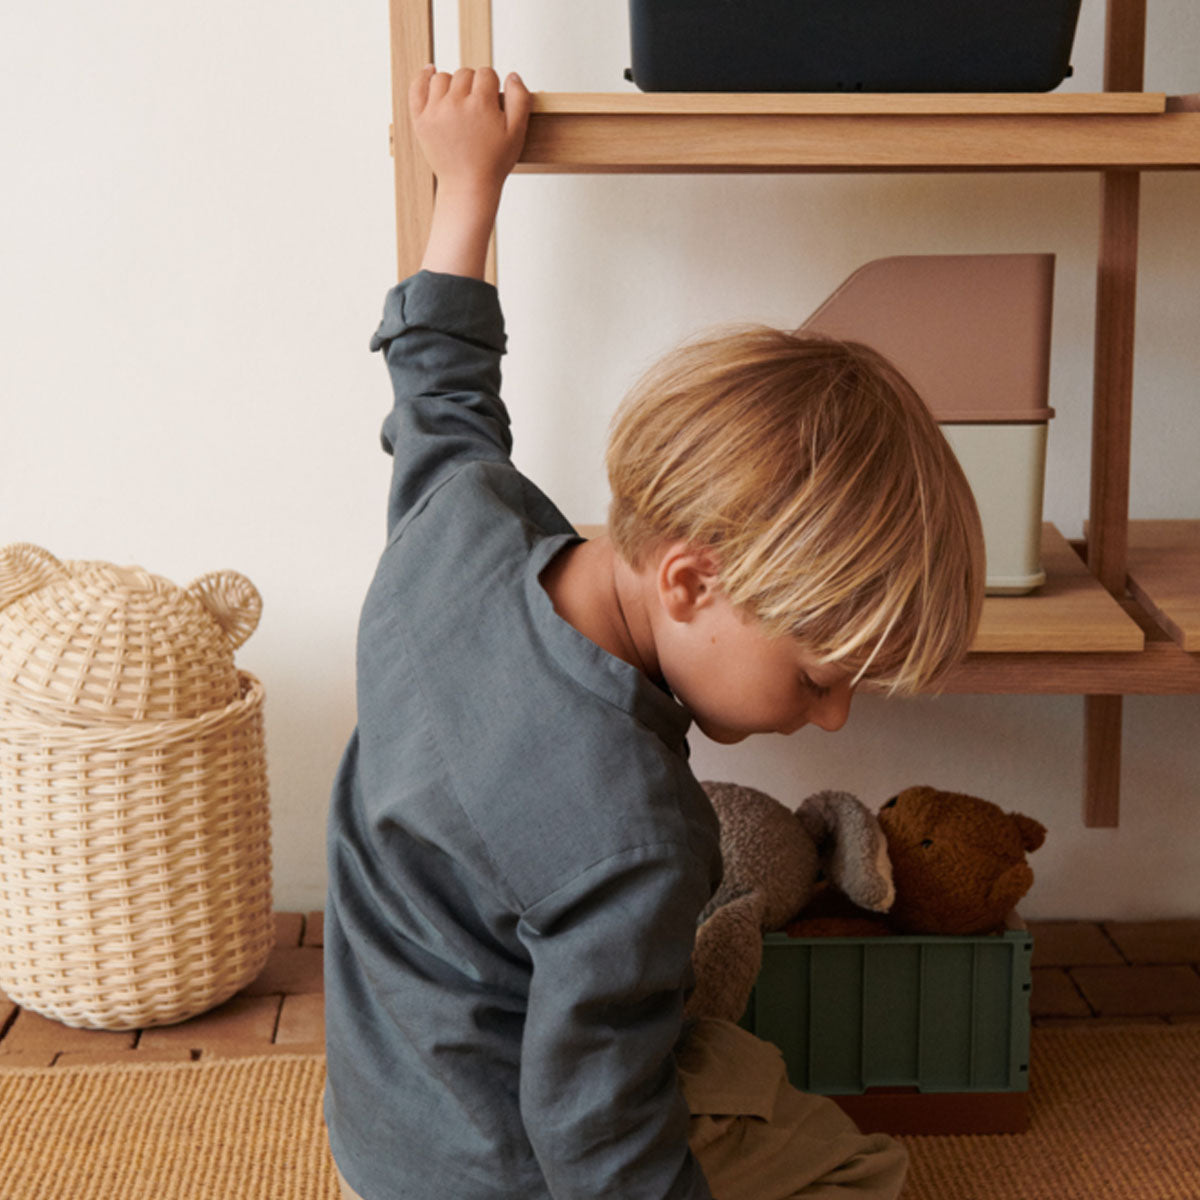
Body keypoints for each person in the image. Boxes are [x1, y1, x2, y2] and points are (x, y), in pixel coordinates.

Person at [324, 65, 983, 1200]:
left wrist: (467, 184)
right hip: (491, 1169)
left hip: (379, 1103)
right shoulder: (637, 829)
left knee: (726, 1049)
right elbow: (593, 1130)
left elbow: (440, 389)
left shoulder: (456, 525)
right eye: (822, 676)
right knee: (854, 1162)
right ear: (690, 582)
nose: (829, 716)